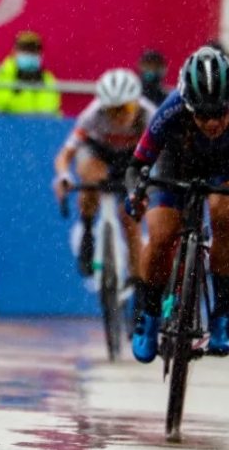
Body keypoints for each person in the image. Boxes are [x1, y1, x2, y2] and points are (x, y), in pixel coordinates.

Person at [124, 46, 229, 362]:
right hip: (176, 163)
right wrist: (136, 194)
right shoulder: (171, 110)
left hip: (228, 166)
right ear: (187, 106)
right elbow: (136, 166)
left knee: (225, 215)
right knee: (161, 234)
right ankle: (150, 314)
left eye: (221, 113)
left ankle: (221, 316)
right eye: (203, 114)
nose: (213, 123)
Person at [54, 68, 154, 289]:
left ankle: (138, 280)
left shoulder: (150, 116)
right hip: (98, 153)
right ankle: (88, 231)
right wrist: (63, 176)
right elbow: (65, 154)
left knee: (130, 215)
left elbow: (165, 155)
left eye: (125, 108)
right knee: (91, 177)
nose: (119, 116)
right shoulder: (92, 115)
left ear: (137, 103)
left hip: (132, 159)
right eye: (112, 110)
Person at [0, 30, 61, 116]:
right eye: (25, 50)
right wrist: (16, 91)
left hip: (39, 127)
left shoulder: (48, 79)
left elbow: (52, 112)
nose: (30, 54)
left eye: (34, 50)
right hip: (6, 126)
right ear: (14, 52)